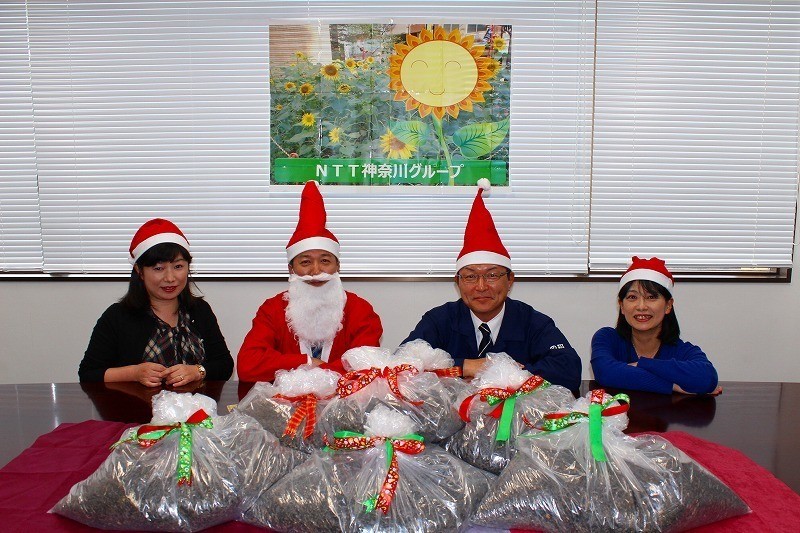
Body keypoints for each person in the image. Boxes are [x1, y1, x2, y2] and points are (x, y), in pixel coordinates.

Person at [402, 180, 582, 391]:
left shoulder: (532, 322)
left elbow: (569, 370)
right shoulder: (440, 319)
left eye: (492, 275)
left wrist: (504, 372)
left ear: (510, 280)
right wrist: (465, 366)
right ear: (458, 282)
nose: (481, 286)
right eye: (470, 277)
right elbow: (401, 365)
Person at [237, 181, 383, 382]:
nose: (316, 272)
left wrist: (298, 368)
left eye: (325, 261)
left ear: (337, 266)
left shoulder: (360, 310)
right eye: (305, 262)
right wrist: (307, 362)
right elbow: (247, 365)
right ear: (291, 268)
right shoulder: (272, 310)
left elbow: (367, 365)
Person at [79, 218, 234, 386]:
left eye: (178, 267)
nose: (170, 278)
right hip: (138, 410)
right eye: (158, 269)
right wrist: (134, 373)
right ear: (139, 271)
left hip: (196, 409)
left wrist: (197, 371)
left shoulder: (200, 310)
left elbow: (225, 365)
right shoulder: (118, 316)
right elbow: (88, 374)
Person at [591, 256, 722, 395]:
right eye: (632, 297)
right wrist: (670, 385)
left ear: (668, 305)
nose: (641, 306)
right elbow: (605, 372)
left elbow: (707, 378)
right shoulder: (607, 337)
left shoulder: (681, 350)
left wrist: (641, 364)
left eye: (651, 297)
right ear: (622, 306)